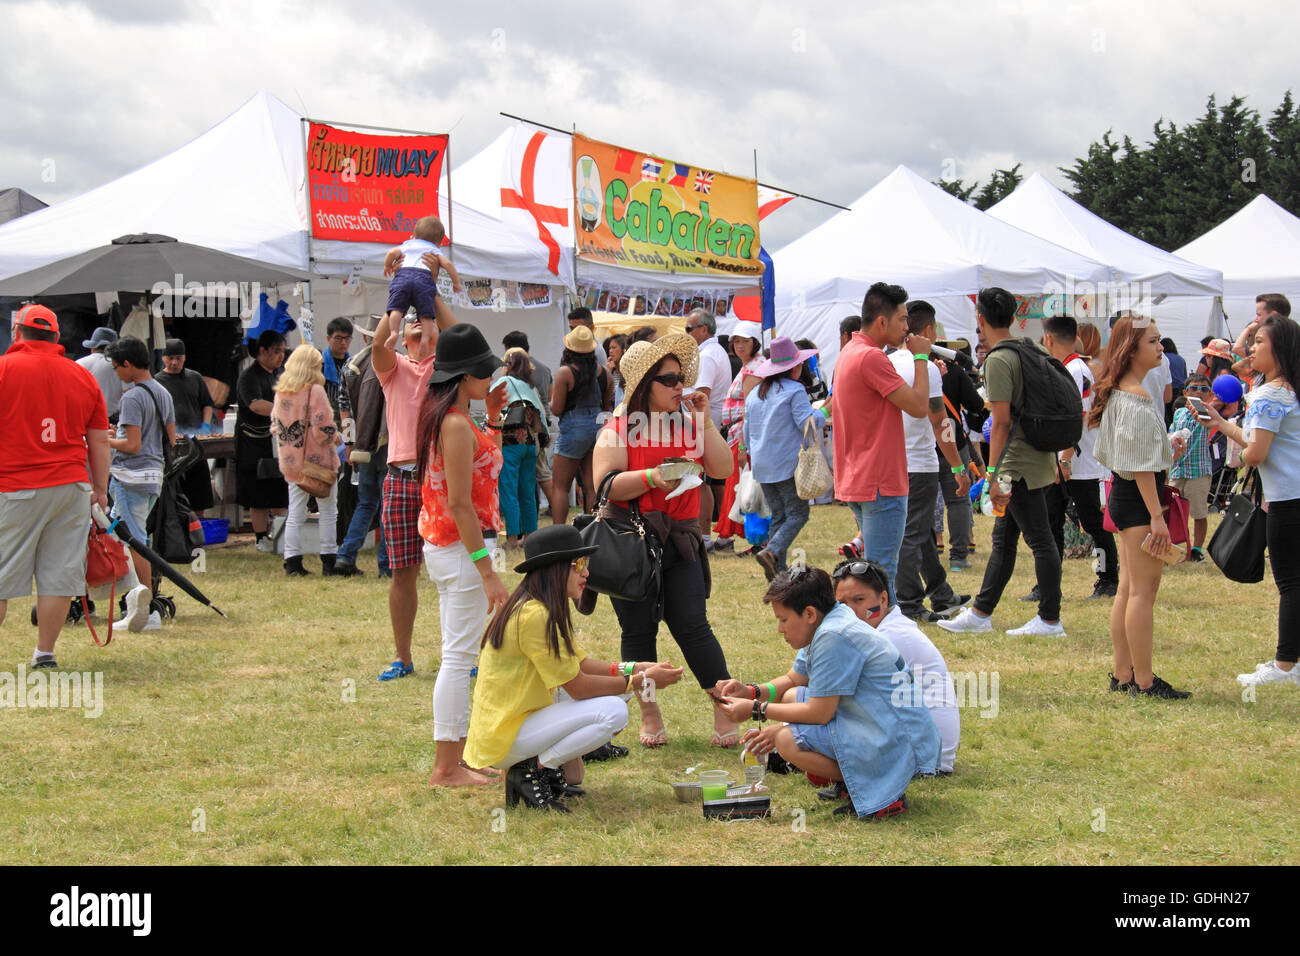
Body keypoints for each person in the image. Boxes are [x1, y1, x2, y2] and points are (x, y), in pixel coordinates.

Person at [464, 524, 683, 811]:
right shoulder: (534, 615)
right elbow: (578, 687)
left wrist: (634, 667)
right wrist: (641, 680)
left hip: (514, 724)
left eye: (586, 564)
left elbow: (580, 664)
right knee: (614, 711)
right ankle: (533, 769)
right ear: (554, 569)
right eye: (579, 564)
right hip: (505, 736)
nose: (587, 573)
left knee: (619, 697)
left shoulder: (536, 605)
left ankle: (540, 767)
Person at [592, 334, 737, 748]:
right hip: (632, 542)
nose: (681, 386)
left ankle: (724, 709)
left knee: (693, 626)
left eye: (681, 378)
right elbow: (606, 486)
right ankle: (650, 711)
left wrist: (706, 421)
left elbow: (722, 467)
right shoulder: (617, 429)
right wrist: (657, 476)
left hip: (680, 541)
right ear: (642, 386)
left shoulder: (691, 423)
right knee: (638, 631)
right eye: (670, 379)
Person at [714, 566, 940, 820]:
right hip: (882, 723)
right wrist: (752, 692)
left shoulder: (833, 635)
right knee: (791, 697)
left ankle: (877, 787)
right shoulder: (830, 619)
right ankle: (855, 783)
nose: (780, 629)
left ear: (809, 613)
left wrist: (757, 710)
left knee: (787, 740)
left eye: (784, 619)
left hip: (895, 739)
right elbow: (793, 680)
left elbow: (820, 713)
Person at [415, 323, 510, 786]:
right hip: (462, 550)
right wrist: (487, 570)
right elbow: (459, 501)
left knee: (460, 655)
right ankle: (446, 767)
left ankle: (453, 762)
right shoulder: (453, 423)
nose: (490, 379)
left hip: (452, 548)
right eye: (484, 373)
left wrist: (491, 419)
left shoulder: (452, 418)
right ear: (465, 376)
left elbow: (473, 477)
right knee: (458, 658)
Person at [940, 289, 1065, 637]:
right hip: (1037, 455)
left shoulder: (998, 359)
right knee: (1004, 538)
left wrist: (992, 474)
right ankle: (981, 614)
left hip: (1015, 463)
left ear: (980, 320)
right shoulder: (1032, 347)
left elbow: (1002, 422)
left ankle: (1050, 619)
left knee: (1039, 540)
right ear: (1014, 316)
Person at [0, 305, 111, 668]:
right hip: (70, 487)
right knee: (59, 577)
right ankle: (44, 653)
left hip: (14, 485)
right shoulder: (81, 375)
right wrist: (100, 488)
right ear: (56, 336)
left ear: (18, 333)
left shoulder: (3, 369)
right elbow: (98, 442)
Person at [1091, 315, 1190, 699]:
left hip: (1127, 495)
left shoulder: (1122, 390)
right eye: (1153, 341)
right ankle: (1144, 680)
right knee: (1141, 593)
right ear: (1131, 350)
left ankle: (1124, 673)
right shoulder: (1135, 396)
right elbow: (1140, 467)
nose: (1160, 347)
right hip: (1139, 499)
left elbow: (1133, 455)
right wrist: (1156, 516)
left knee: (1129, 590)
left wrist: (1166, 449)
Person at [1197, 316, 1300, 687]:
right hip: (1290, 495)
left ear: (1279, 349)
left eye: (1259, 342)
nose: (1251, 348)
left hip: (1288, 500)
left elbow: (1254, 453)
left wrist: (1236, 426)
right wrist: (1220, 424)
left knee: (1290, 584)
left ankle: (1286, 666)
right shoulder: (1283, 389)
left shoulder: (1270, 394)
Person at [831, 282, 932, 597]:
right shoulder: (872, 358)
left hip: (858, 478)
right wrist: (921, 359)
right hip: (880, 482)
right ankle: (883, 643)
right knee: (882, 581)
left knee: (871, 576)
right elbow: (918, 407)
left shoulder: (850, 352)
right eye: (903, 320)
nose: (907, 327)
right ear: (882, 322)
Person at [372, 306, 453, 681]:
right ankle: (402, 657)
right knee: (402, 571)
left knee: (454, 569)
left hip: (440, 476)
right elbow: (378, 347)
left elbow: (464, 334)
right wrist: (397, 308)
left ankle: (461, 656)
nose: (420, 331)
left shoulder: (448, 369)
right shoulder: (395, 368)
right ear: (402, 338)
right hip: (402, 476)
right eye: (412, 330)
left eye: (428, 327)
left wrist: (434, 299)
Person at [831, 558, 960, 774]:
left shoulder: (888, 637)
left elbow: (835, 700)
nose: (850, 611)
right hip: (928, 750)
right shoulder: (883, 628)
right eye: (842, 604)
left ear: (883, 599)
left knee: (804, 724)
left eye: (859, 600)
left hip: (926, 758)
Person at [890, 302, 970, 623]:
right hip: (920, 463)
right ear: (929, 332)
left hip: (894, 460)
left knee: (919, 531)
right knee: (912, 533)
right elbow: (940, 423)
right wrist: (958, 466)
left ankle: (941, 593)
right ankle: (908, 604)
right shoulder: (927, 368)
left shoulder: (886, 361)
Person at [1041, 315, 1119, 599]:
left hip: (1077, 462)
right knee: (1051, 523)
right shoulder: (1068, 368)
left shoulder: (1075, 370)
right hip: (1063, 459)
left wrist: (1065, 457)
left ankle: (1108, 578)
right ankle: (1048, 583)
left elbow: (1079, 416)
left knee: (1093, 524)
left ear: (1049, 339)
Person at [743, 337, 826, 579]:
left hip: (762, 464)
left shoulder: (755, 393)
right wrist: (823, 412)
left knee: (779, 515)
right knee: (798, 514)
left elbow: (747, 435)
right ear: (795, 367)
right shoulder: (794, 390)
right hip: (787, 464)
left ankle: (777, 571)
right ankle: (773, 552)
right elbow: (806, 424)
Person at [105, 335, 177, 596]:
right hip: (153, 476)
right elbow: (170, 439)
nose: (116, 372)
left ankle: (145, 599)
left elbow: (133, 445)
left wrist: (107, 440)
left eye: (116, 367)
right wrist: (119, 438)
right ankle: (127, 592)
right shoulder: (163, 392)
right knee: (115, 534)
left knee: (136, 542)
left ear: (127, 363)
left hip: (129, 477)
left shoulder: (132, 398)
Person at [272, 345, 340, 576]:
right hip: (318, 462)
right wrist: (336, 434)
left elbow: (276, 426)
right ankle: (329, 560)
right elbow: (322, 429)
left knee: (296, 512)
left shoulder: (282, 391)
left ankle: (292, 561)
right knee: (328, 510)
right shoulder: (315, 391)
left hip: (292, 461)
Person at [334, 333, 387, 578]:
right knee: (387, 506)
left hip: (362, 445)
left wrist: (349, 442)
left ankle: (345, 555)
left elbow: (344, 410)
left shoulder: (350, 366)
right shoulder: (395, 362)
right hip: (387, 443)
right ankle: (386, 564)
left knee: (366, 503)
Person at [548, 325, 612, 523]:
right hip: (598, 429)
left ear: (569, 349)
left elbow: (557, 409)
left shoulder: (564, 373)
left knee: (560, 486)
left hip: (573, 431)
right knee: (592, 486)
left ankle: (558, 533)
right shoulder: (605, 373)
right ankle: (594, 528)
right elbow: (607, 405)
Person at [235, 330, 288, 552]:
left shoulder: (280, 373)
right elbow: (256, 405)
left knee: (279, 491)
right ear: (262, 351)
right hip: (251, 443)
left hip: (275, 442)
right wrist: (285, 410)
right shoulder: (249, 376)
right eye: (276, 352)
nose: (280, 357)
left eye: (283, 352)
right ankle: (259, 538)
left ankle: (280, 536)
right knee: (257, 495)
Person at [713, 322, 763, 554]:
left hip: (743, 437)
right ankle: (746, 538)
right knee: (740, 489)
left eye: (745, 341)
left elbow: (750, 409)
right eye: (737, 341)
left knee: (745, 490)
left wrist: (744, 445)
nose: (740, 345)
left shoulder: (753, 368)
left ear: (755, 342)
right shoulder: (749, 366)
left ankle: (757, 540)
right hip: (738, 435)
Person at [685, 309, 733, 546]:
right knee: (710, 481)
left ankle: (704, 537)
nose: (687, 335)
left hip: (703, 424)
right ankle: (716, 533)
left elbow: (700, 395)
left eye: (689, 329)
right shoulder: (715, 351)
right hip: (709, 423)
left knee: (701, 481)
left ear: (704, 329)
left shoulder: (707, 355)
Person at [381, 215, 461, 353]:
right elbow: (448, 264)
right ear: (439, 244)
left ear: (413, 236)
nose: (415, 321)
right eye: (410, 319)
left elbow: (391, 252)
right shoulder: (434, 250)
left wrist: (388, 266)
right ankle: (425, 338)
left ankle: (394, 332)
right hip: (424, 279)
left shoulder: (408, 245)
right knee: (427, 315)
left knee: (395, 309)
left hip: (403, 276)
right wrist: (455, 282)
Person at [155, 337, 215, 516]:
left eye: (178, 358)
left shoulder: (194, 377)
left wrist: (205, 424)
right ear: (163, 358)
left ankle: (198, 527)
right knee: (175, 489)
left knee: (199, 491)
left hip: (196, 441)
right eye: (170, 358)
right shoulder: (157, 381)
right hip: (172, 442)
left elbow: (207, 404)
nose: (174, 362)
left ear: (184, 358)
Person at [497, 347, 548, 548]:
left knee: (509, 491)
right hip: (529, 445)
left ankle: (511, 539)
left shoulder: (503, 383)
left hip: (509, 445)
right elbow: (541, 417)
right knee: (527, 492)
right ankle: (529, 537)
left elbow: (493, 411)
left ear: (508, 364)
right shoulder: (531, 388)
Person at [502, 330, 555, 514]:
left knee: (527, 475)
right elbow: (549, 395)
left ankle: (550, 508)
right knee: (541, 472)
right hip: (540, 425)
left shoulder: (511, 373)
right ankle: (555, 506)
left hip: (518, 430)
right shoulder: (544, 368)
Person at [1167, 372, 1215, 562]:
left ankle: (1196, 549)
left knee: (1198, 512)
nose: (1199, 392)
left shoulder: (1207, 412)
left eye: (1204, 390)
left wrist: (1199, 406)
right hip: (1178, 468)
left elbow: (1204, 420)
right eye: (1194, 388)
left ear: (1210, 395)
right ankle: (1174, 547)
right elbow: (1171, 433)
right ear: (1185, 392)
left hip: (1199, 471)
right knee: (1173, 511)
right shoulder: (1179, 412)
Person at [76, 326, 124, 422]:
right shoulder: (121, 367)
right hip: (111, 421)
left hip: (82, 419)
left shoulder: (78, 364)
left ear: (92, 347)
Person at [603, 333, 629, 408]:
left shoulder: (627, 373)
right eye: (609, 348)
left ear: (623, 350)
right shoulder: (609, 371)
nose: (610, 351)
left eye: (614, 348)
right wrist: (608, 373)